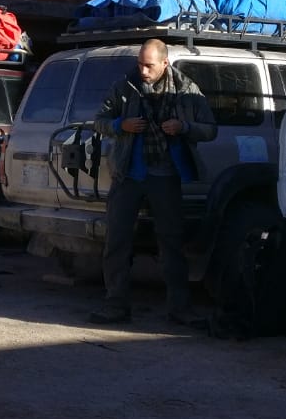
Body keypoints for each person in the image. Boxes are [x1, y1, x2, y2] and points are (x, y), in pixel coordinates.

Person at [89, 38, 217, 328]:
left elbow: (210, 130)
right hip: (128, 176)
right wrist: (120, 125)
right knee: (117, 241)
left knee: (171, 243)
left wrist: (184, 127)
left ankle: (179, 309)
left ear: (165, 63)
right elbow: (99, 120)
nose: (143, 71)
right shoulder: (125, 86)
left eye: (149, 66)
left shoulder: (186, 90)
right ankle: (115, 305)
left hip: (165, 176)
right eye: (139, 64)